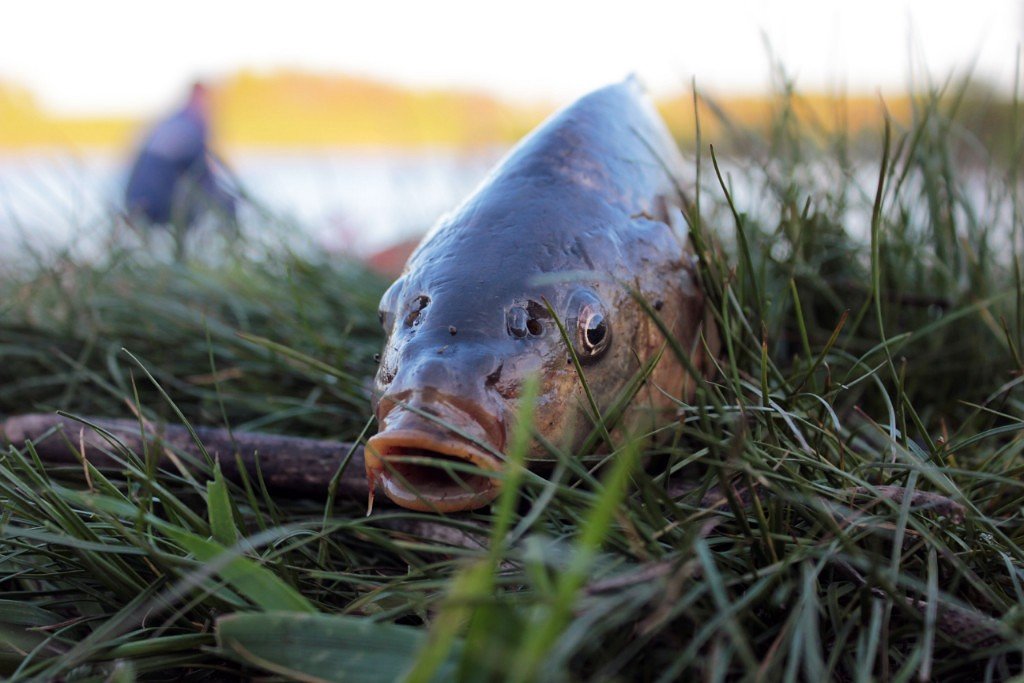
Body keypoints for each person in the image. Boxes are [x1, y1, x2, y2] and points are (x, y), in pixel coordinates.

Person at [124, 82, 237, 258]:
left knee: (198, 197)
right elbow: (205, 173)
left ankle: (175, 262)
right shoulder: (193, 125)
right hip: (158, 203)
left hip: (134, 201)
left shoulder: (170, 121)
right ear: (200, 99)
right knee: (229, 202)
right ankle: (228, 258)